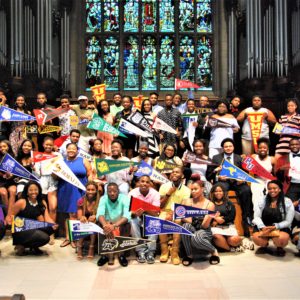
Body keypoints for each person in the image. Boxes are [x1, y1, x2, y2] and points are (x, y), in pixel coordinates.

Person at [207, 138, 253, 236]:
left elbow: (246, 173)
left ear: (233, 147)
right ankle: (219, 218)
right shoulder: (216, 158)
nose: (228, 148)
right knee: (218, 189)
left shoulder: (239, 158)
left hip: (237, 183)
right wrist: (217, 175)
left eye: (230, 146)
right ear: (223, 148)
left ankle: (246, 219)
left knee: (246, 190)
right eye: (226, 146)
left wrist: (243, 179)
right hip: (223, 182)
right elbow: (209, 175)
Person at [57, 143, 92, 248]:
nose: (71, 150)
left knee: (76, 214)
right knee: (68, 215)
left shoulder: (83, 160)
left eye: (73, 149)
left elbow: (89, 173)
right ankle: (69, 238)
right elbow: (55, 176)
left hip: (79, 189)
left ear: (77, 150)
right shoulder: (61, 162)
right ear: (66, 150)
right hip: (65, 189)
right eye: (69, 149)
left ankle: (75, 238)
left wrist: (89, 187)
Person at [11, 181, 57, 256]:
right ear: (26, 192)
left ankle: (34, 246)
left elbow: (47, 217)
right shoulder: (21, 202)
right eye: (31, 190)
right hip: (21, 230)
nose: (33, 192)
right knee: (44, 237)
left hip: (36, 228)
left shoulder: (42, 202)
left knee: (52, 228)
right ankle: (21, 245)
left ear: (39, 191)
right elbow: (11, 216)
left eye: (36, 190)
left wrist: (53, 224)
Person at [181, 178, 220, 266]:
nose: (193, 191)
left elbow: (204, 226)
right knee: (185, 226)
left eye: (195, 189)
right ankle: (189, 255)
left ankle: (213, 251)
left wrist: (210, 216)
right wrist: (181, 216)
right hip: (193, 228)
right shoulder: (187, 202)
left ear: (202, 189)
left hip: (204, 231)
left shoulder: (209, 204)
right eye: (191, 189)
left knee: (196, 237)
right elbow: (189, 221)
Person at [252, 180, 294, 256]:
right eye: (270, 188)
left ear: (280, 189)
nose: (272, 190)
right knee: (257, 239)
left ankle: (279, 247)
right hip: (264, 226)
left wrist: (276, 226)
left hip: (279, 227)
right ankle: (264, 246)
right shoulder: (261, 200)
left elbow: (288, 221)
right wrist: (262, 227)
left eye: (275, 188)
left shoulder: (287, 201)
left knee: (281, 239)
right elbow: (256, 217)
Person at [159, 167, 190, 265]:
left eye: (177, 172)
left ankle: (174, 253)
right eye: (172, 172)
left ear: (182, 176)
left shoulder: (186, 190)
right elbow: (160, 205)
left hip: (178, 212)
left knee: (177, 221)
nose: (174, 174)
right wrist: (168, 194)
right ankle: (164, 251)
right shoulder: (164, 186)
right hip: (164, 210)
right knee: (161, 220)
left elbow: (183, 207)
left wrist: (173, 213)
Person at [96, 182, 131, 267]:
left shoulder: (125, 198)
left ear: (118, 191)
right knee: (99, 224)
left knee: (127, 224)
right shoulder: (103, 198)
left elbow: (127, 216)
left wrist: (114, 225)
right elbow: (100, 214)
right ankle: (105, 255)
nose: (112, 193)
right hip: (107, 223)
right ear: (106, 192)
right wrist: (105, 225)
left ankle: (121, 254)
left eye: (114, 191)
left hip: (119, 222)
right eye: (109, 191)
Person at [128, 175, 160, 264]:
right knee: (132, 221)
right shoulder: (132, 193)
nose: (144, 184)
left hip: (150, 216)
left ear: (150, 184)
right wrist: (134, 213)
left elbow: (156, 213)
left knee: (155, 221)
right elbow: (128, 212)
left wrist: (145, 208)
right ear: (138, 183)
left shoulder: (155, 194)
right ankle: (140, 251)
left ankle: (150, 252)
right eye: (142, 181)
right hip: (137, 217)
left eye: (147, 182)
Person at [210, 183, 243, 252]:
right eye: (216, 191)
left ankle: (240, 243)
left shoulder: (229, 203)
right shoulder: (210, 203)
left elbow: (232, 216)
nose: (218, 193)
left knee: (234, 240)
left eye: (220, 191)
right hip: (216, 227)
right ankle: (230, 249)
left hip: (228, 226)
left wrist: (223, 220)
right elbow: (206, 215)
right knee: (216, 236)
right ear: (213, 193)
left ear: (223, 192)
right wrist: (215, 219)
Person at [250, 138, 276, 211]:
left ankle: (270, 213)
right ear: (257, 149)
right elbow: (247, 165)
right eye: (260, 148)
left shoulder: (272, 159)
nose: (262, 149)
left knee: (271, 194)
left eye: (264, 148)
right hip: (257, 179)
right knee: (256, 196)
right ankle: (257, 216)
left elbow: (276, 172)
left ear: (267, 149)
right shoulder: (254, 157)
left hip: (269, 180)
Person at [76, 181, 100, 259]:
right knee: (83, 223)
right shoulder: (81, 200)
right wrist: (82, 218)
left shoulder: (100, 200)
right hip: (85, 222)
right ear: (85, 190)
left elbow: (102, 213)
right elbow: (79, 215)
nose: (90, 191)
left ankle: (91, 247)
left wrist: (95, 216)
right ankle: (79, 246)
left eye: (93, 189)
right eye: (88, 189)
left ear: (96, 190)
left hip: (96, 221)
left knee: (93, 223)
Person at [0, 140, 17, 225]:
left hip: (11, 181)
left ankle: (9, 216)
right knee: (3, 192)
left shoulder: (14, 157)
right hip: (1, 181)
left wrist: (11, 175)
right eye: (0, 147)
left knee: (13, 191)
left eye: (4, 146)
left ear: (8, 147)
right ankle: (8, 215)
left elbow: (17, 172)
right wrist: (3, 175)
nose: (2, 148)